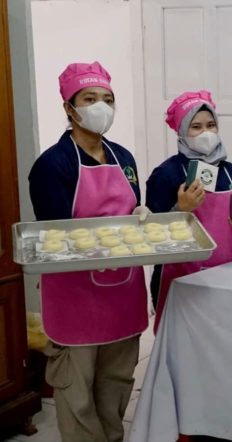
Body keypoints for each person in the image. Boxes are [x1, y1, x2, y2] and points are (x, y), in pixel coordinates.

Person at [28, 61, 147, 442]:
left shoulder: (124, 158)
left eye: (108, 99)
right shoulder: (52, 165)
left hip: (123, 290)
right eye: (90, 99)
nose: (101, 107)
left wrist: (141, 218)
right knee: (77, 388)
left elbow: (132, 210)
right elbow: (56, 239)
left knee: (116, 382)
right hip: (76, 297)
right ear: (69, 107)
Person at [146, 90, 232, 332]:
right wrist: (181, 209)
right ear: (182, 132)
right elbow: (151, 234)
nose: (206, 133)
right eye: (196, 127)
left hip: (224, 274)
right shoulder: (167, 174)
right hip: (180, 278)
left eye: (211, 125)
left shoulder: (229, 171)